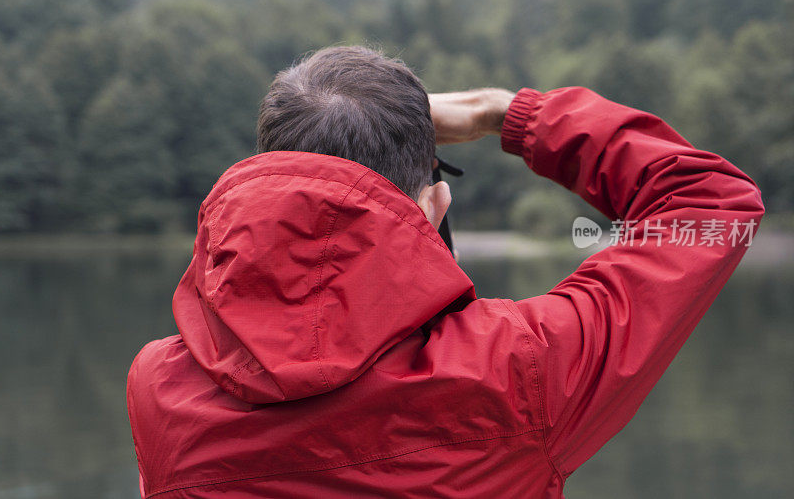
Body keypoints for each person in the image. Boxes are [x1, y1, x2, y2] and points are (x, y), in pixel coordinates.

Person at [126, 46, 764, 498]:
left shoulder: (160, 390)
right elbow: (712, 201)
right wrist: (506, 114)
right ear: (436, 205)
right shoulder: (522, 370)